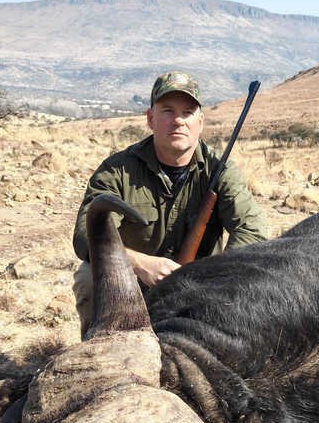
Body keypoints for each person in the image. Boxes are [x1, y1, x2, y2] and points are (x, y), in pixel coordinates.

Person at [71, 71, 267, 336]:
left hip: (202, 287)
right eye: (167, 111)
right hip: (135, 284)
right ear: (150, 118)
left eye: (187, 112)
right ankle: (100, 354)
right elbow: (87, 235)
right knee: (89, 276)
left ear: (200, 121)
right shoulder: (116, 170)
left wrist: (214, 276)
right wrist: (140, 264)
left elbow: (252, 229)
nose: (178, 121)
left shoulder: (220, 170)